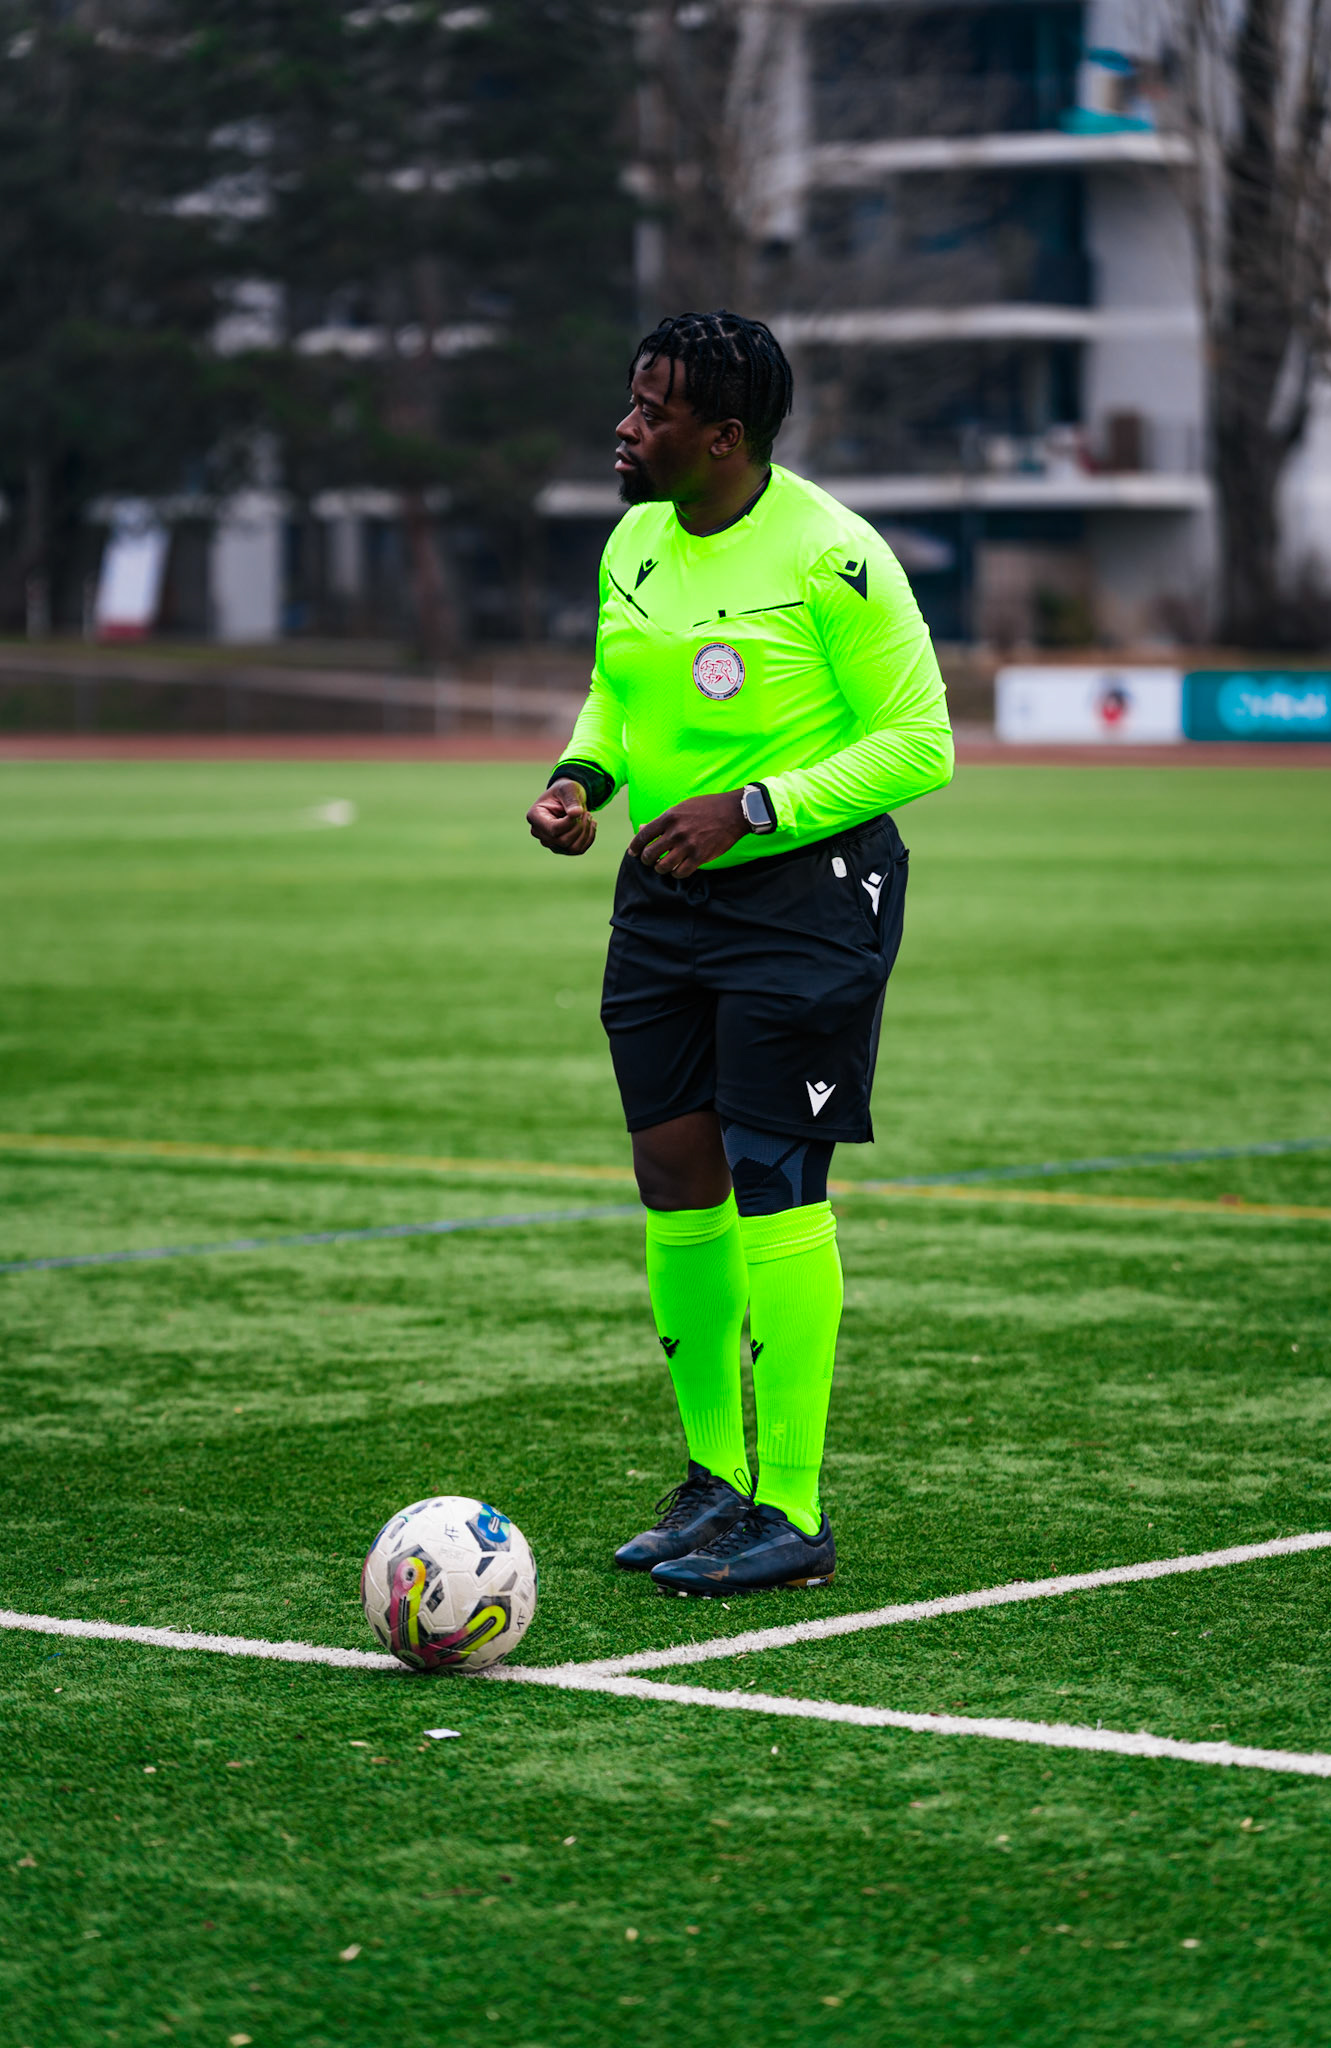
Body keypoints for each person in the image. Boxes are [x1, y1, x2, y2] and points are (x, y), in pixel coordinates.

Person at [526, 310, 953, 1596]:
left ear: (722, 437)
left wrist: (753, 806)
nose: (626, 425)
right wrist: (579, 773)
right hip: (665, 892)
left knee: (777, 1170)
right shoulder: (633, 541)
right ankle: (716, 1478)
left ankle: (794, 1505)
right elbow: (621, 687)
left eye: (652, 411)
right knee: (674, 1165)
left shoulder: (836, 555)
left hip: (809, 893)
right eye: (631, 400)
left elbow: (920, 743)